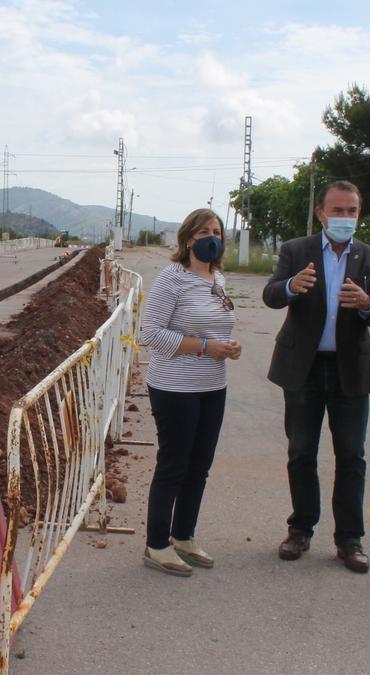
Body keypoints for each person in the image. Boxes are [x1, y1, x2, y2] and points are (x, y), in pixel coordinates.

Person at [262, 180, 370, 573]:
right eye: (337, 210)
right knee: (301, 452)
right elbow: (270, 295)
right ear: (321, 213)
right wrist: (290, 286)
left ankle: (349, 539)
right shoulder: (295, 250)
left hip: (350, 371)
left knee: (351, 456)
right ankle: (300, 528)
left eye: (352, 211)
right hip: (302, 368)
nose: (345, 217)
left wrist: (368, 304)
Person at [138, 208, 241, 576]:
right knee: (174, 466)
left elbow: (214, 328)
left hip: (213, 386)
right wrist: (203, 347)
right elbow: (149, 333)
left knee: (199, 467)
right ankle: (157, 544)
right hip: (175, 387)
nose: (211, 237)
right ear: (187, 239)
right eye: (203, 232)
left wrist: (226, 346)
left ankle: (183, 536)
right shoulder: (172, 278)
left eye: (216, 231)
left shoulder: (218, 279)